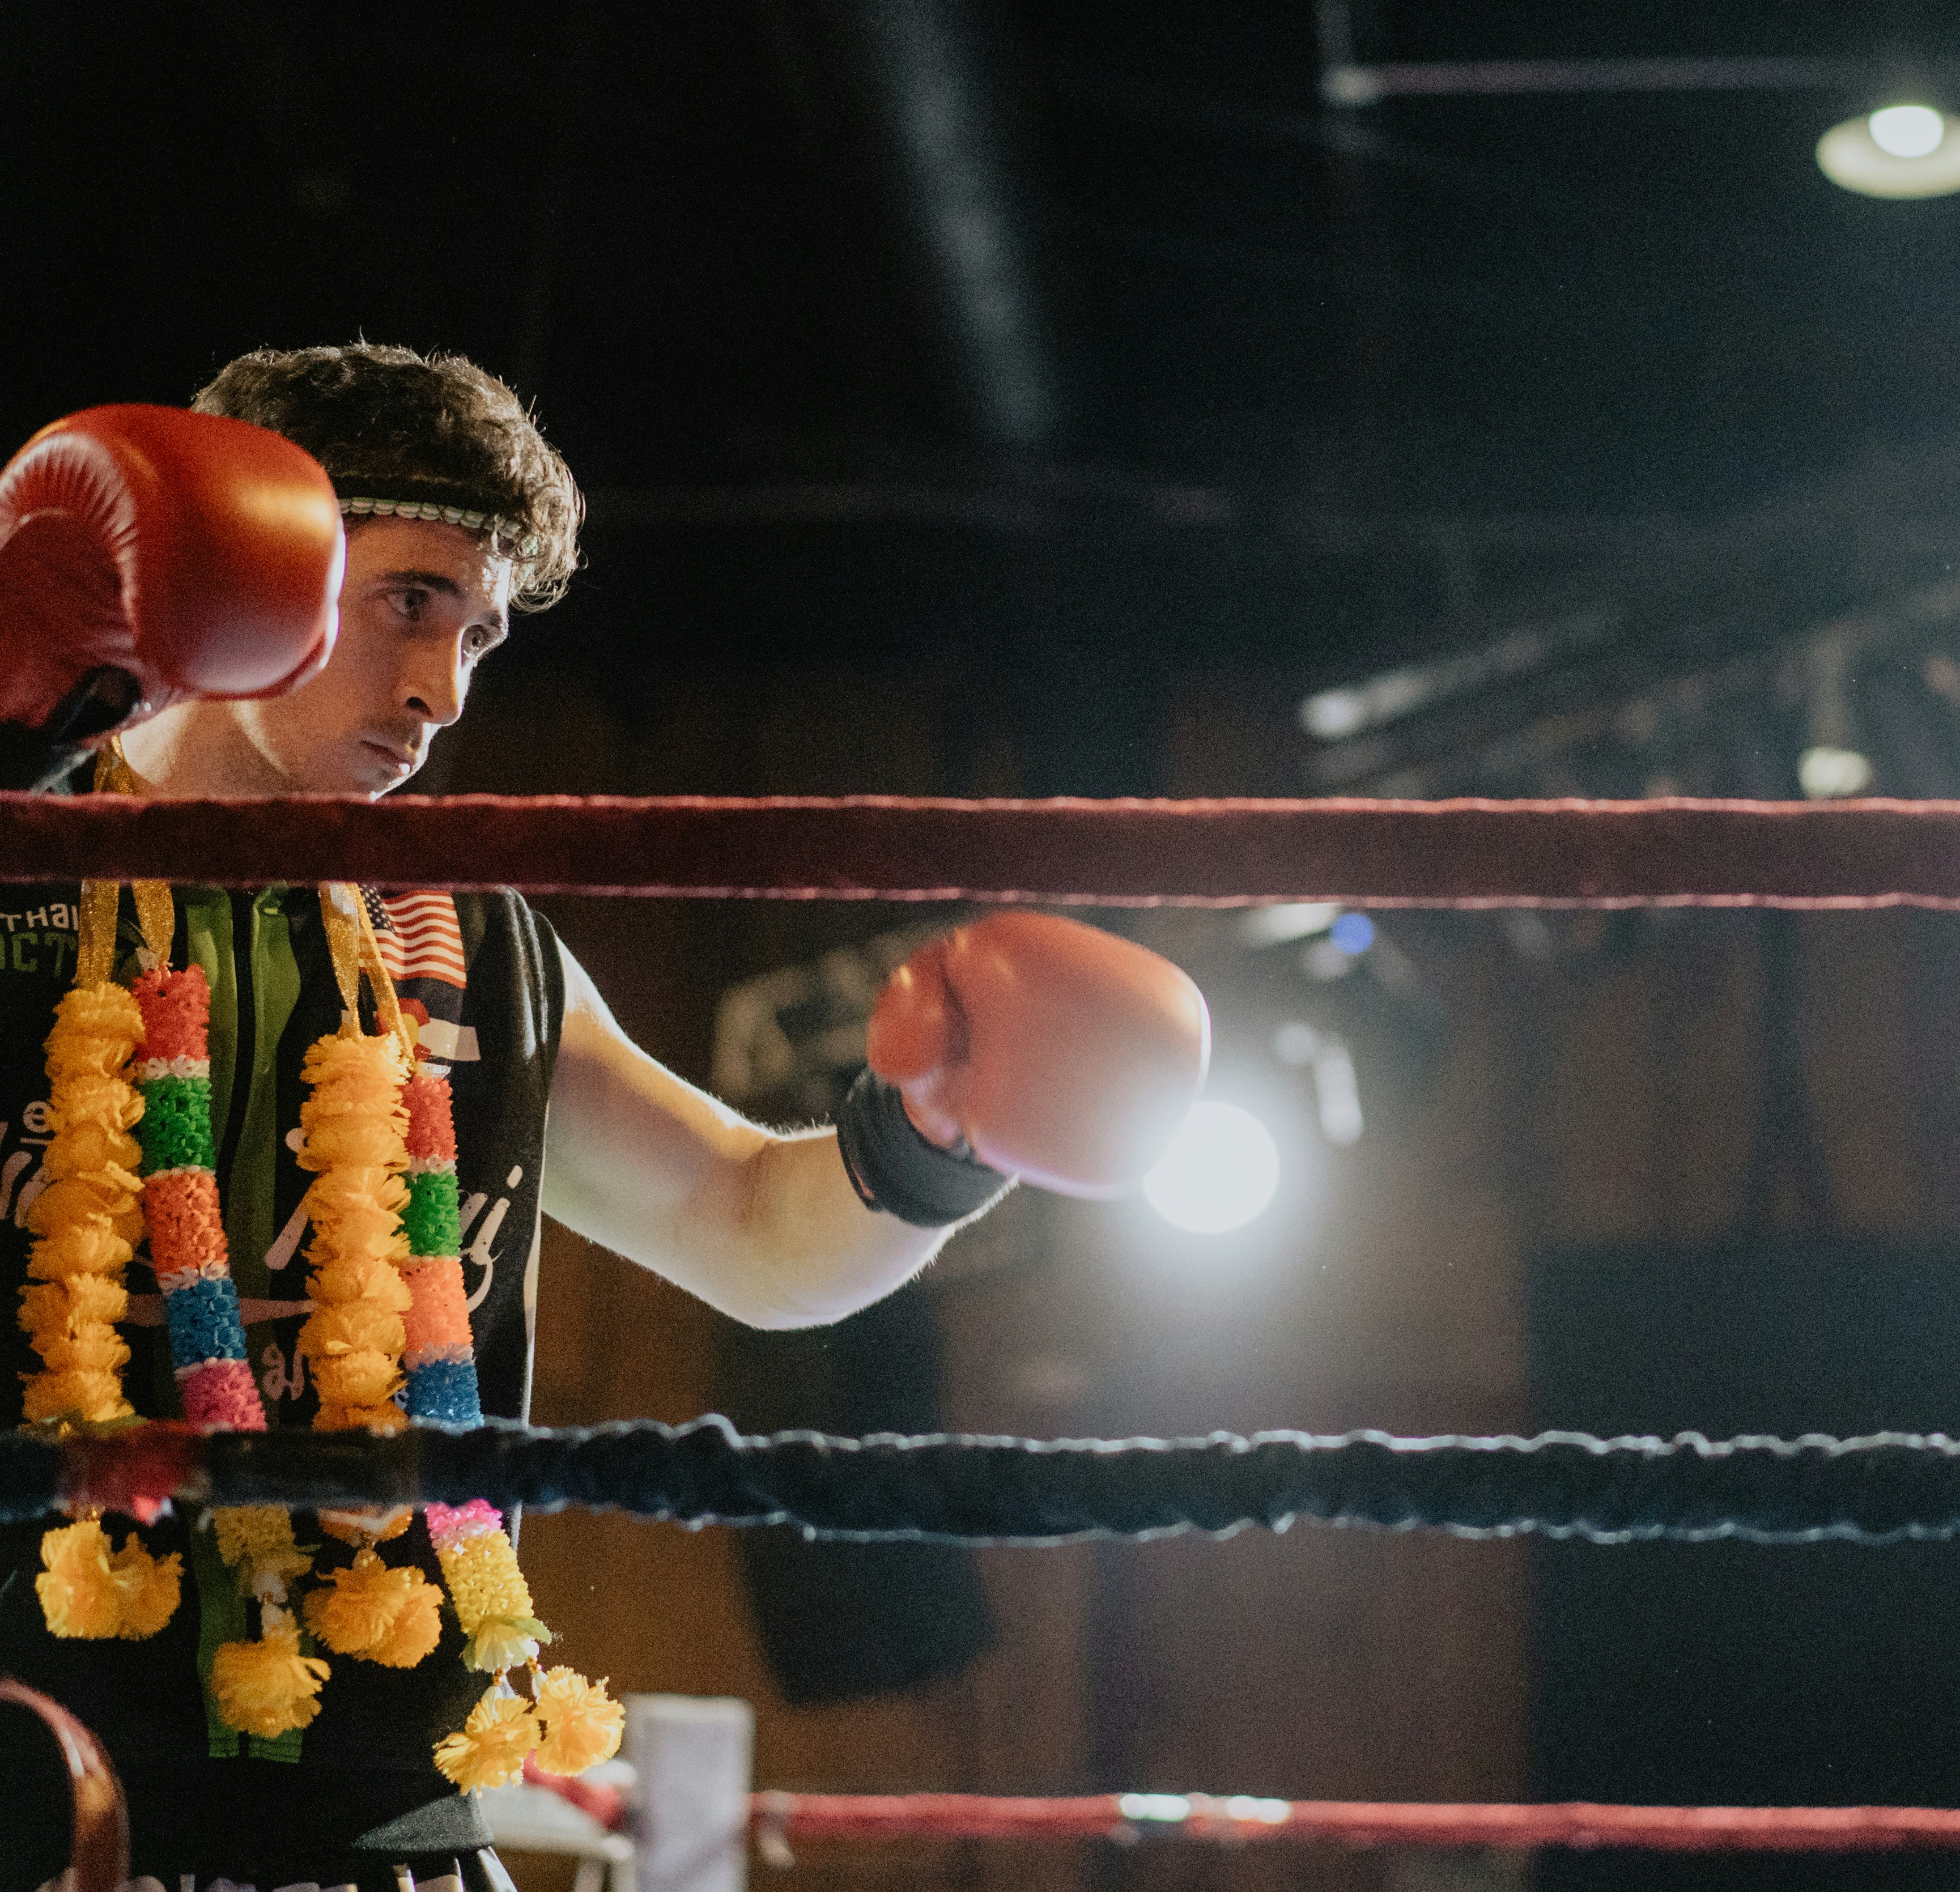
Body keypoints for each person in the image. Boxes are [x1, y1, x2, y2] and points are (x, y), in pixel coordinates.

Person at [0, 345, 1209, 1891]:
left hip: (379, 1818)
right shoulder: (22, 873)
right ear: (246, 575)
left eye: (482, 635)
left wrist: (939, 1137)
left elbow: (754, 1232)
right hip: (37, 1790)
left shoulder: (472, 947)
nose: (442, 692)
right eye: (409, 603)